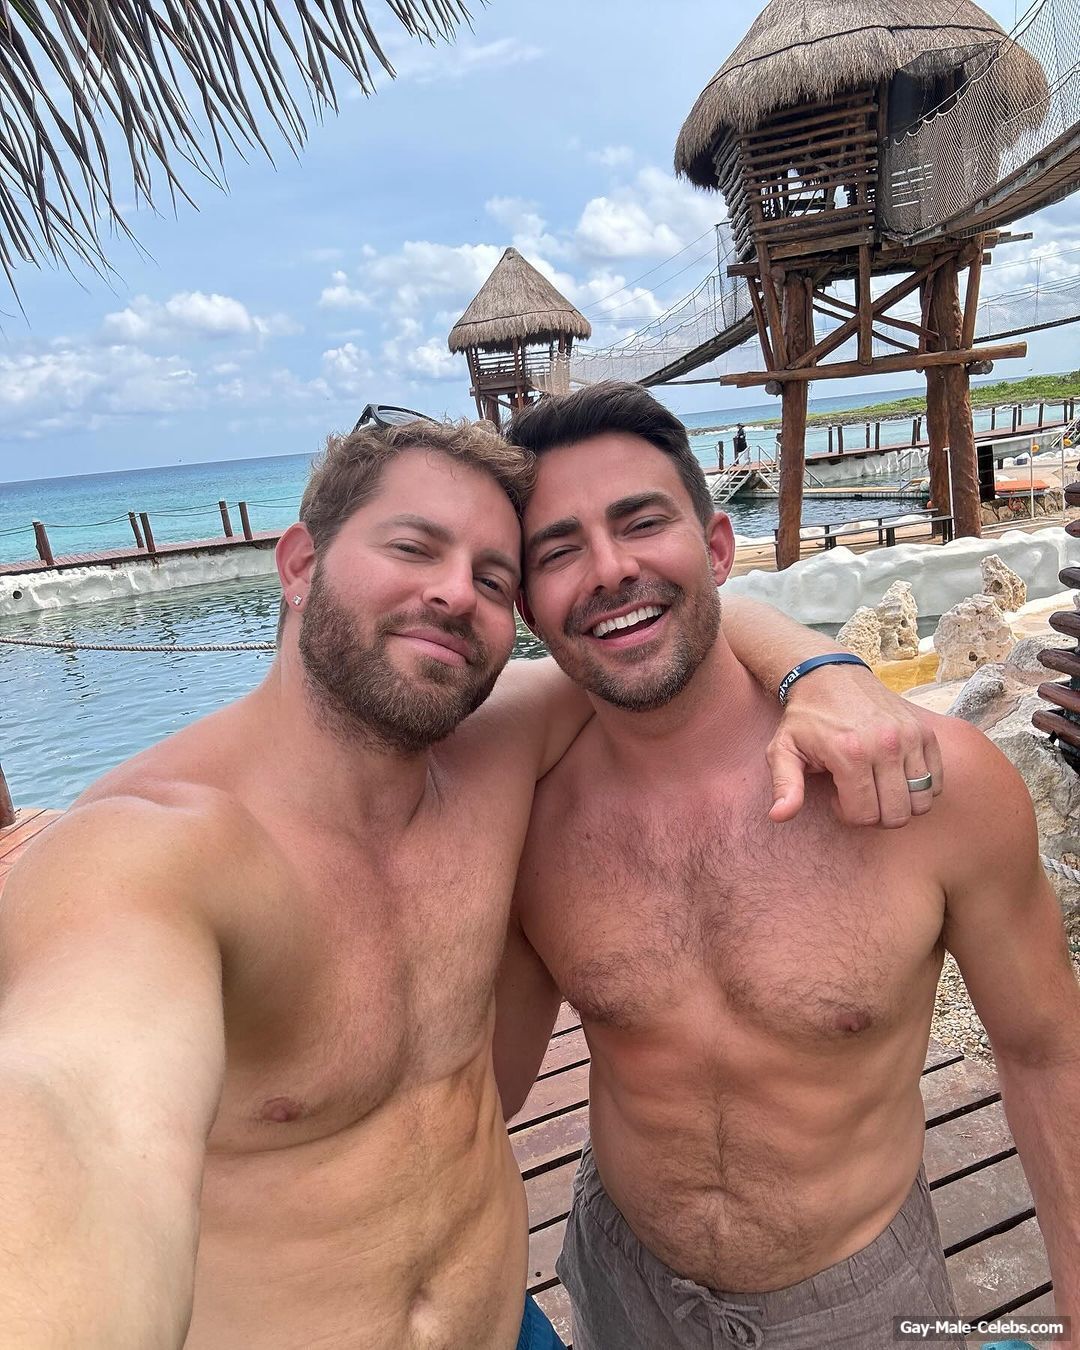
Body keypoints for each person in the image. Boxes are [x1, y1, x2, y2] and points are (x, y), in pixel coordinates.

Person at [0, 414, 943, 1350]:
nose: (456, 593)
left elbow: (654, 612)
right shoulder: (147, 848)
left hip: (507, 1322)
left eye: (495, 579)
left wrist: (822, 668)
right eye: (414, 547)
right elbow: (72, 1114)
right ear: (299, 565)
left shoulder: (497, 755)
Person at [497, 381, 1080, 1350]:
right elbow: (476, 1090)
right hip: (622, 1270)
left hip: (857, 1298)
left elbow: (1046, 1051)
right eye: (558, 551)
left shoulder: (936, 785)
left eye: (642, 523)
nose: (609, 569)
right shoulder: (527, 811)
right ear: (527, 604)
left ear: (719, 549)